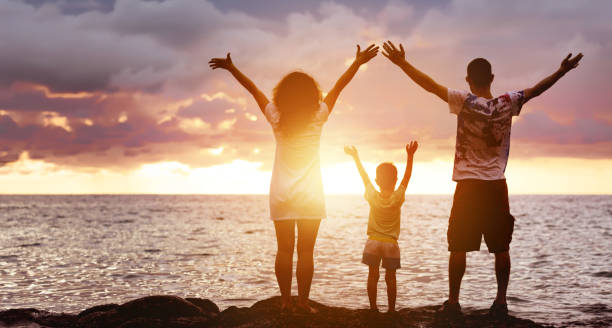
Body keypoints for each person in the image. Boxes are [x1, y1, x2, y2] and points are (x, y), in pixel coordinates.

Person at [381, 40, 583, 319]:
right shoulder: (507, 102)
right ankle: (500, 302)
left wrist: (403, 64)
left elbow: (429, 85)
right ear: (492, 78)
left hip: (468, 185)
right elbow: (536, 90)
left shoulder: (463, 101)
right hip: (495, 185)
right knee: (501, 247)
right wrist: (562, 71)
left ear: (468, 79)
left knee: (458, 245)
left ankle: (453, 302)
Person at [208, 44, 379, 313]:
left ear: (283, 95)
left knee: (284, 250)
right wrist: (357, 63)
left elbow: (253, 90)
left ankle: (286, 302)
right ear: (312, 95)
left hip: (282, 192)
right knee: (306, 252)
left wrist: (232, 69)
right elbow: (339, 87)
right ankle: (302, 303)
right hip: (311, 194)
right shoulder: (318, 116)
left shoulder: (276, 117)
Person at [344, 141, 418, 313]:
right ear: (395, 180)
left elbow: (364, 176)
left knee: (372, 276)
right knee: (390, 278)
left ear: (377, 180)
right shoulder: (398, 196)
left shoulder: (372, 195)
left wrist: (356, 157)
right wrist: (410, 156)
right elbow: (407, 177)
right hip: (391, 244)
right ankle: (391, 310)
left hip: (373, 243)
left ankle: (373, 308)